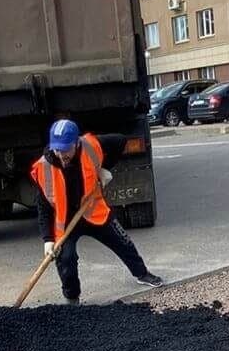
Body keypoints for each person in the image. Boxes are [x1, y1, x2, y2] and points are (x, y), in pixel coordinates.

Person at [30, 120, 161, 304]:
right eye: (57, 150)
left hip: (94, 211)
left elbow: (120, 141)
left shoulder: (91, 146)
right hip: (66, 222)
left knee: (122, 242)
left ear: (76, 143)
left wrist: (104, 167)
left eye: (66, 149)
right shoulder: (43, 168)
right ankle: (72, 298)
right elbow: (43, 208)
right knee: (65, 259)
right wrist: (48, 240)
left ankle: (142, 274)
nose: (61, 155)